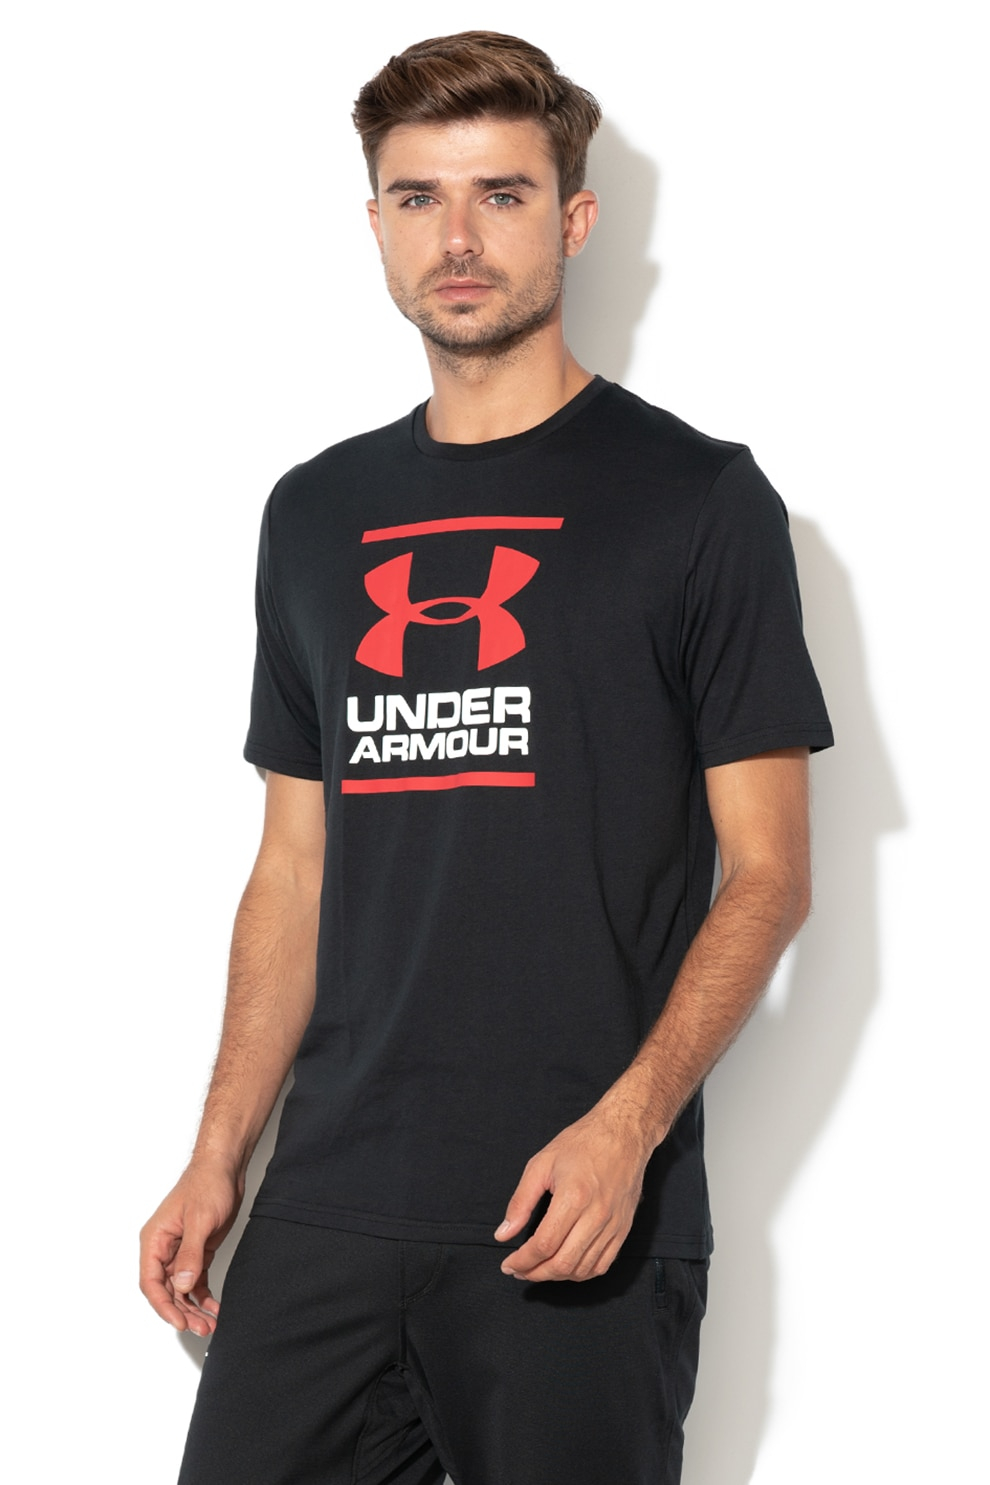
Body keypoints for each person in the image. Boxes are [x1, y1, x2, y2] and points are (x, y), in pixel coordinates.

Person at [140, 30, 833, 1485]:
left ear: (573, 219)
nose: (456, 238)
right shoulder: (314, 514)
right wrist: (219, 1152)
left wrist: (627, 1131)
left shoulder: (697, 501)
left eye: (500, 194)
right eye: (418, 197)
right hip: (330, 1199)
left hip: (574, 1209)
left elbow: (769, 876)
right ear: (376, 223)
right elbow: (294, 868)